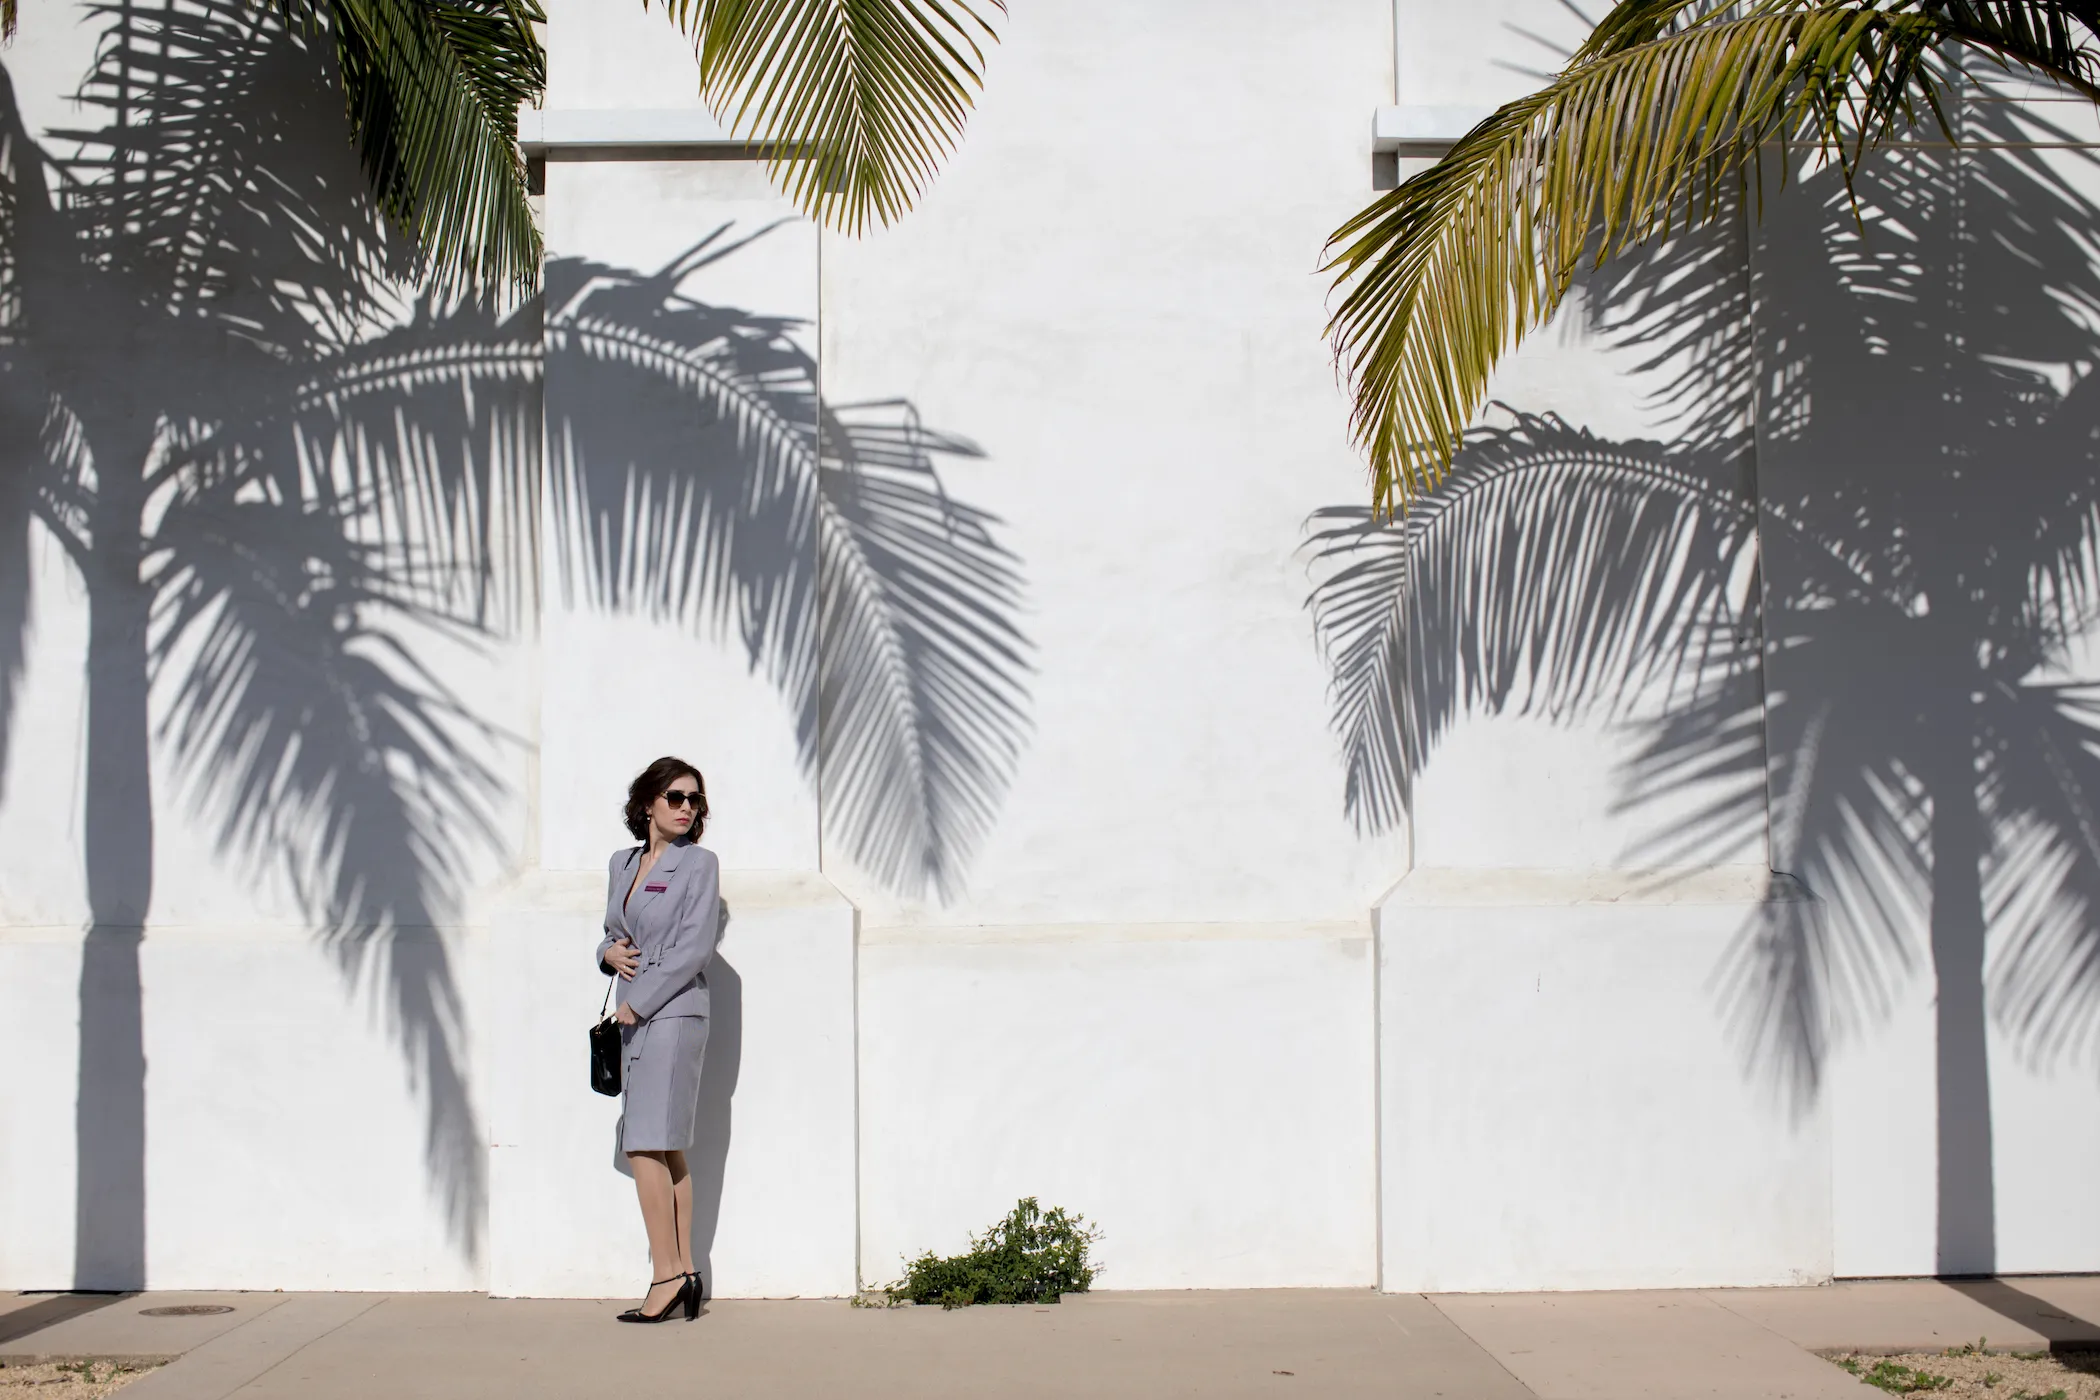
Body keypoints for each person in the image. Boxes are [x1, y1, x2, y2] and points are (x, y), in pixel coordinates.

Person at [596, 756, 721, 1324]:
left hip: (671, 1014)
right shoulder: (623, 864)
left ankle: (666, 1276)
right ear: (647, 803)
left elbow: (694, 950)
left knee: (645, 1142)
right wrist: (606, 954)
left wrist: (637, 1005)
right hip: (634, 1015)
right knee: (664, 1145)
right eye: (675, 796)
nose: (686, 807)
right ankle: (686, 1272)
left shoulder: (699, 864)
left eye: (693, 799)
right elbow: (612, 935)